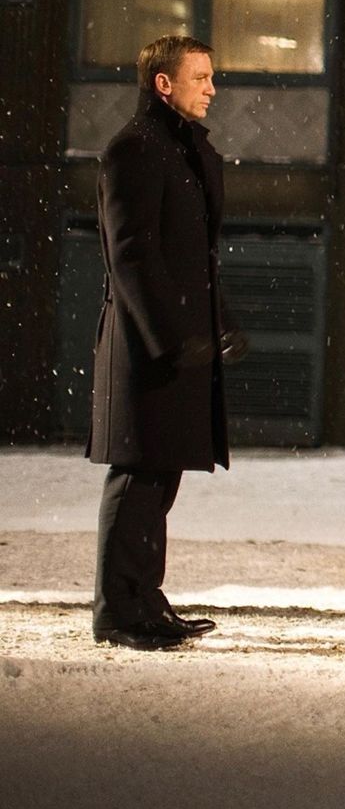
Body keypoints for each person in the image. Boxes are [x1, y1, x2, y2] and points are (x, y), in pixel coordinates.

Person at [86, 35, 247, 651]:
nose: (212, 88)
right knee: (137, 478)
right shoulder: (134, 149)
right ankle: (119, 612)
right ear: (164, 83)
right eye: (200, 77)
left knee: (159, 478)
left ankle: (144, 601)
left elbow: (192, 258)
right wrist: (173, 338)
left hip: (175, 343)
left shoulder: (179, 150)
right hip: (146, 347)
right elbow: (131, 256)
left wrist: (216, 320)